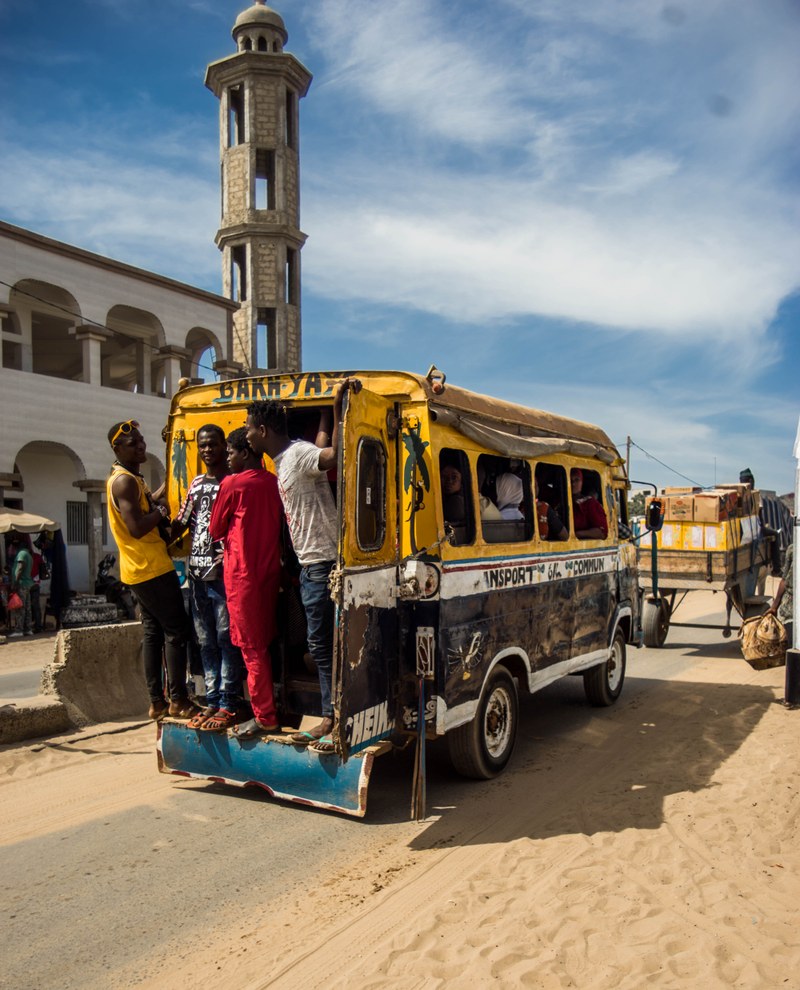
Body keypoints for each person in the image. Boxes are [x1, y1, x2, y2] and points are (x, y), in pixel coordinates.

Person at [245, 379, 355, 750]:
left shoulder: (295, 456)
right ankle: (333, 713)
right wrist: (326, 410)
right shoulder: (288, 458)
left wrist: (339, 408)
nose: (245, 436)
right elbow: (321, 446)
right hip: (310, 564)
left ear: (263, 430)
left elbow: (332, 456)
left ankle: (331, 717)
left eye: (248, 429)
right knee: (321, 643)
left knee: (322, 645)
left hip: (320, 562)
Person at [106, 419, 196, 721]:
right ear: (117, 448)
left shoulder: (132, 478)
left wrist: (168, 487)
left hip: (140, 568)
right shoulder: (124, 482)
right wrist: (160, 512)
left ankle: (156, 702)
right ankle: (178, 699)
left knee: (154, 632)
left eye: (142, 441)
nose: (141, 446)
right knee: (176, 631)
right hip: (150, 567)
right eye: (133, 444)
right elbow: (136, 528)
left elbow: (147, 505)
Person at [209, 427, 284, 738]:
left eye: (230, 452)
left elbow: (215, 528)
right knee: (264, 644)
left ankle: (265, 715)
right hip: (269, 573)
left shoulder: (233, 483)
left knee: (251, 649)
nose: (227, 457)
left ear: (245, 452)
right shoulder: (273, 482)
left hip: (242, 575)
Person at [173, 424, 245, 732]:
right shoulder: (197, 483)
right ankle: (213, 700)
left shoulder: (233, 482)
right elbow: (182, 521)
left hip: (223, 576)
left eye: (213, 444)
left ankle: (229, 702)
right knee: (205, 642)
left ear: (223, 446)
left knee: (226, 639)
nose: (207, 450)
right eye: (202, 445)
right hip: (197, 576)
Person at [740, 468, 782, 577]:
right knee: (775, 534)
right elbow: (759, 516)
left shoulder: (737, 493)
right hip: (753, 530)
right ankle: (777, 569)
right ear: (751, 480)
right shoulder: (755, 495)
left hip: (739, 530)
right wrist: (762, 527)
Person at [766, 542, 794, 646]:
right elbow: (784, 580)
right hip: (791, 611)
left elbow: (784, 580)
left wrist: (774, 606)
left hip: (790, 610)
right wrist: (774, 606)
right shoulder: (792, 549)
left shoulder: (792, 548)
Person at [571, 467, 608, 539]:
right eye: (570, 480)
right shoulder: (559, 502)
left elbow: (601, 532)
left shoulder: (590, 503)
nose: (573, 484)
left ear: (582, 483)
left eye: (577, 480)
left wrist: (576, 534)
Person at [8, 537, 34, 637]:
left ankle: (19, 630)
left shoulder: (22, 554)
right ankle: (28, 629)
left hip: (22, 584)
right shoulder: (28, 555)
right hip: (27, 584)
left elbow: (20, 568)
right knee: (27, 608)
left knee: (20, 607)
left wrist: (15, 582)